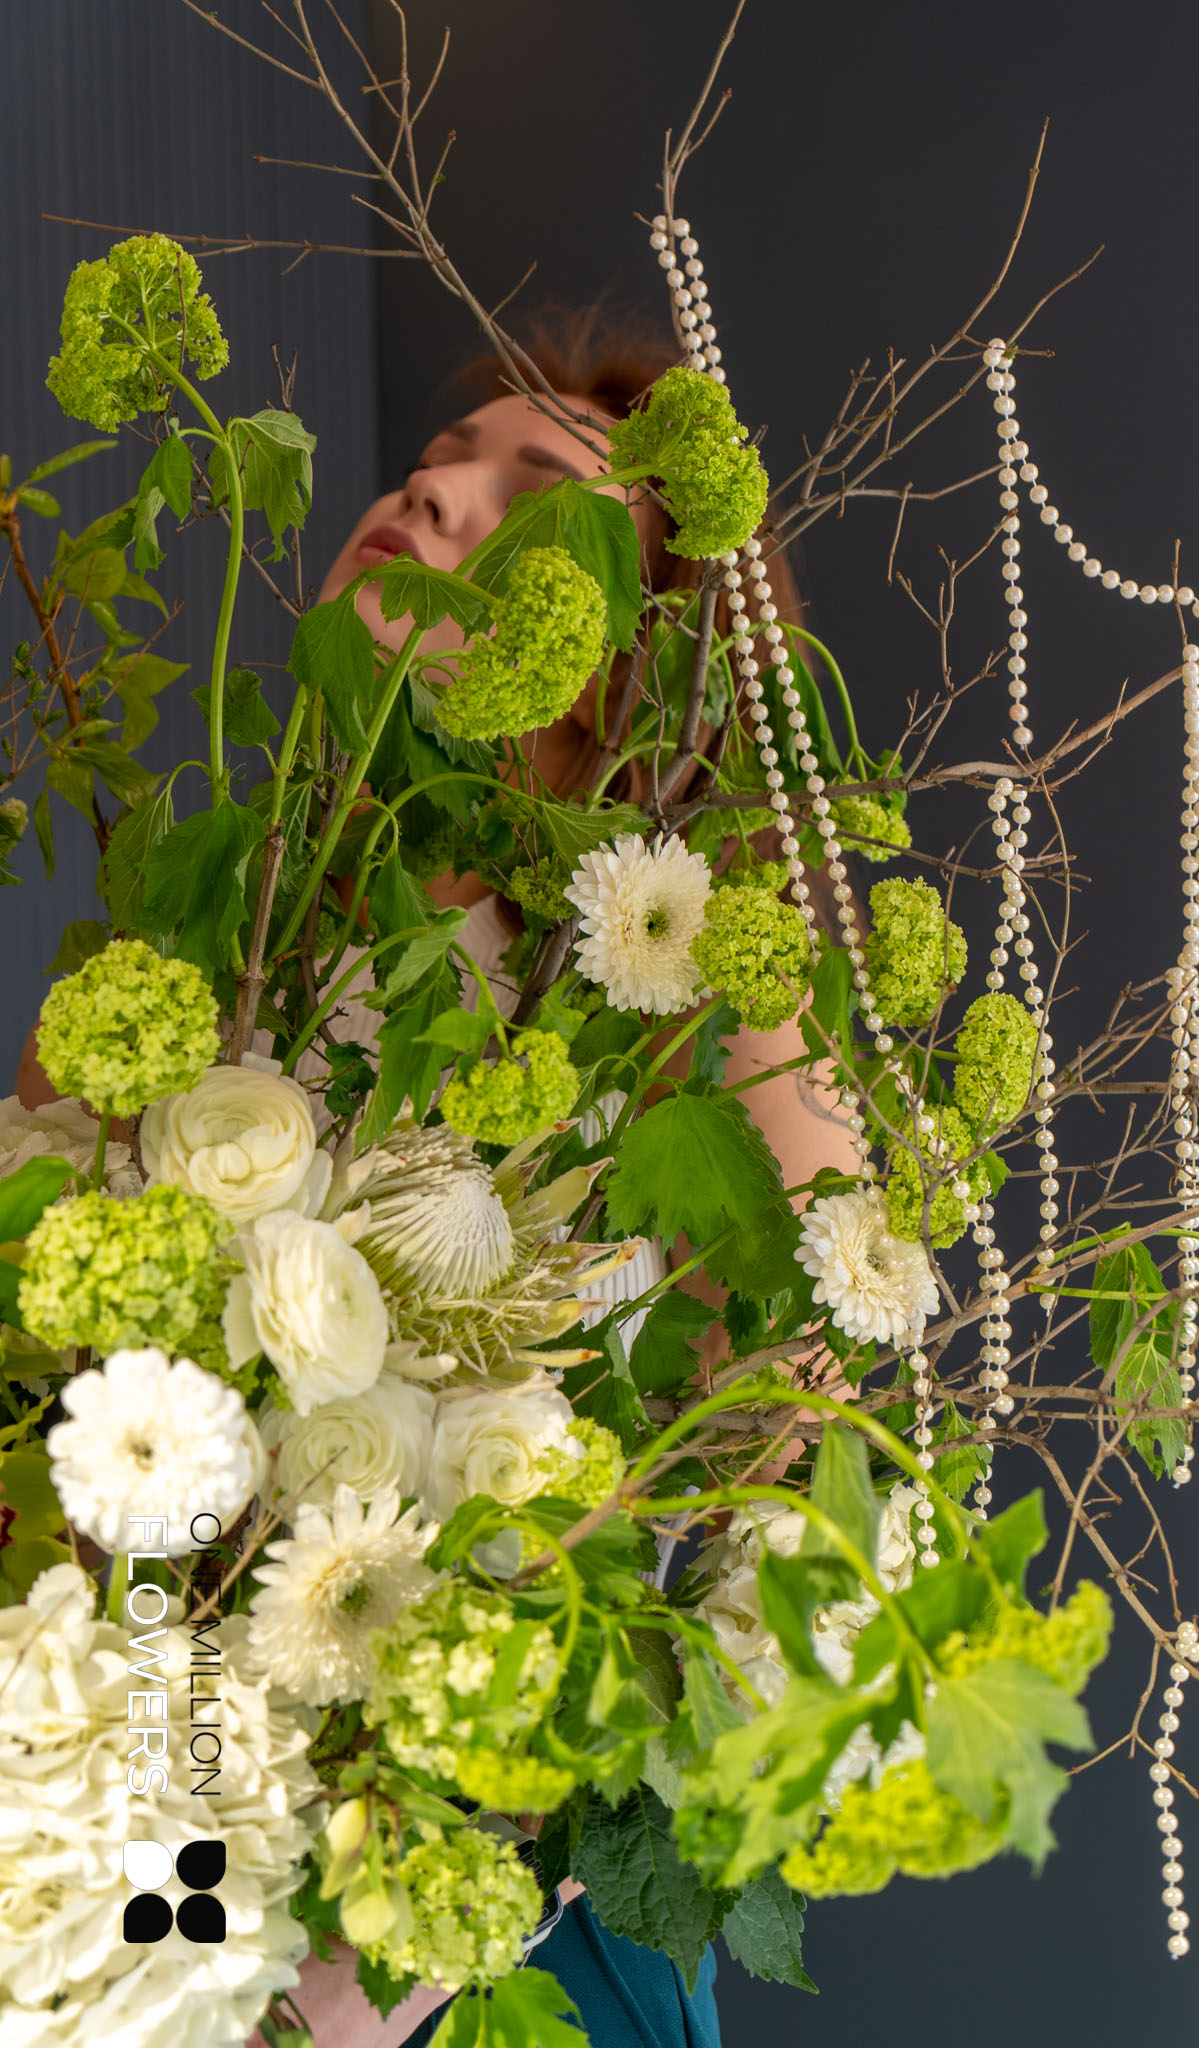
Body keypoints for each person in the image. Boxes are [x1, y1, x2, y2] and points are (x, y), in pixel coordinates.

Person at [14, 310, 858, 2047]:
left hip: (492, 1936)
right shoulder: (190, 953)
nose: (427, 498)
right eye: (427, 468)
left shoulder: (705, 1013)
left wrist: (396, 1927)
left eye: (529, 498)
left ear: (641, 654)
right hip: (122, 1856)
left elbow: (778, 1492)